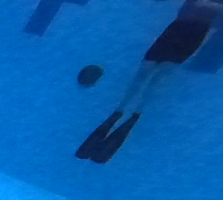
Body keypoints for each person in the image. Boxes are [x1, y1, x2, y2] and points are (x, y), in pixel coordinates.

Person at [76, 0, 223, 163]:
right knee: (147, 71)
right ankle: (123, 110)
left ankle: (133, 113)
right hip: (181, 29)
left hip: (191, 32)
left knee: (156, 75)